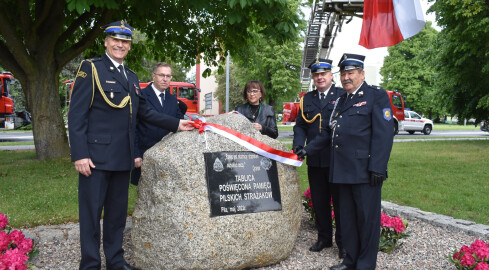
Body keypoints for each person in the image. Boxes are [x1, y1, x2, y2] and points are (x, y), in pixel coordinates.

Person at [68, 20, 194, 270]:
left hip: (122, 158)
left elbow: (145, 113)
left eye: (125, 42)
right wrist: (80, 154)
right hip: (95, 157)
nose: (120, 45)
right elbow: (76, 115)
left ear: (128, 46)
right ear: (106, 42)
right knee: (91, 217)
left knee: (116, 217)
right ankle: (90, 264)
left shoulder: (131, 77)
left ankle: (115, 261)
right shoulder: (91, 69)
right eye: (115, 40)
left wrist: (177, 124)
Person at [297, 53, 394, 270]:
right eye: (343, 74)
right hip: (341, 171)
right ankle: (350, 261)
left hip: (365, 172)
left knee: (367, 221)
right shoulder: (342, 100)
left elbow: (384, 134)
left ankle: (365, 265)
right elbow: (329, 133)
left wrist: (378, 166)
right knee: (347, 220)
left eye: (350, 73)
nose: (346, 78)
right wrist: (306, 149)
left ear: (361, 73)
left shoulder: (375, 96)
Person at [292, 58, 346, 258]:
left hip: (336, 159)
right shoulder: (307, 99)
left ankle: (343, 243)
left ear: (331, 75)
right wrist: (298, 144)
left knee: (341, 203)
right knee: (320, 201)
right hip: (315, 161)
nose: (320, 77)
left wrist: (307, 149)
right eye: (316, 75)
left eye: (323, 74)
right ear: (313, 77)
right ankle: (324, 238)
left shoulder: (342, 95)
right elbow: (300, 125)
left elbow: (333, 129)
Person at [131, 63, 185, 186]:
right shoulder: (140, 95)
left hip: (168, 156)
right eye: (161, 75)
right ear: (153, 76)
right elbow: (133, 126)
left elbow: (178, 123)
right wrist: (136, 154)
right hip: (145, 155)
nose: (165, 79)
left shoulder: (172, 99)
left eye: (168, 76)